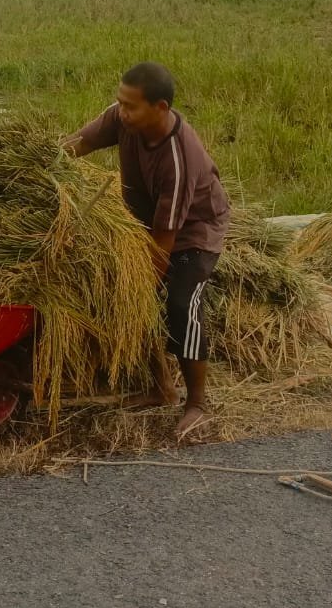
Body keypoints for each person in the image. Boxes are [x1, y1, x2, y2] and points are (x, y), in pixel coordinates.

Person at [63, 62, 231, 442]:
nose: (121, 111)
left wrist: (140, 285)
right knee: (133, 294)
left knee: (177, 303)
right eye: (120, 102)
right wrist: (44, 164)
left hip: (192, 231)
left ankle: (196, 405)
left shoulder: (177, 159)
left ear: (160, 108)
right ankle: (160, 387)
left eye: (130, 106)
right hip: (144, 219)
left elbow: (164, 241)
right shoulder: (122, 118)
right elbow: (82, 142)